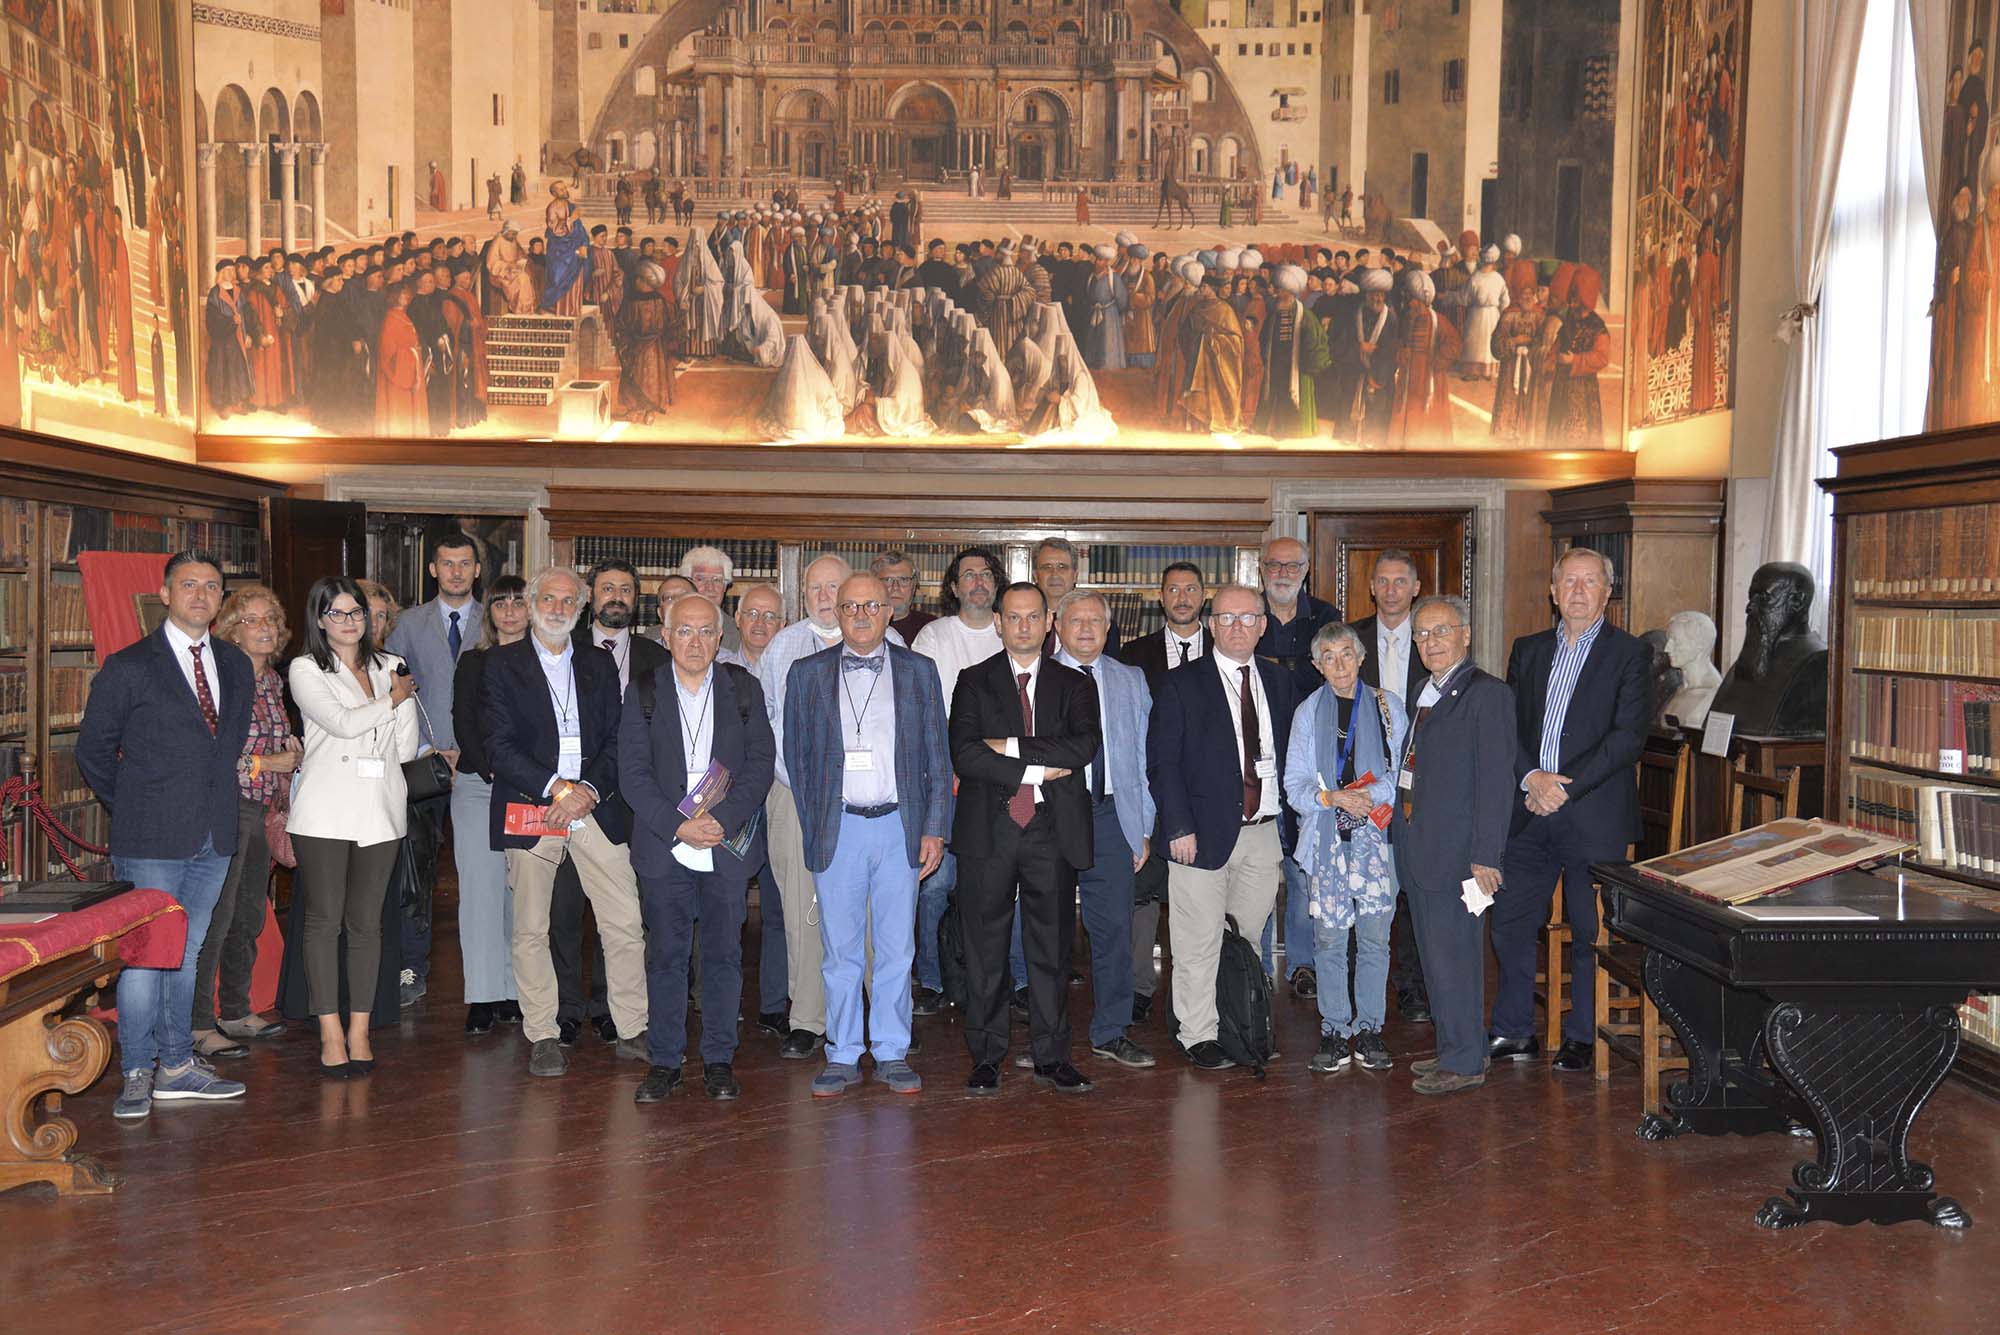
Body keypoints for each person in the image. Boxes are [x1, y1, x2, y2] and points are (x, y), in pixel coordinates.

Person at [77, 551, 253, 1119]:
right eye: (188, 585)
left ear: (222, 599)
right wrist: (133, 806)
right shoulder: (129, 665)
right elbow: (93, 752)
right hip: (150, 836)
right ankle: (136, 1072)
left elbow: (224, 748)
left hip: (214, 834)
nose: (200, 595)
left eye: (211, 586)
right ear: (165, 592)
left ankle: (176, 1067)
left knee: (188, 951)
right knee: (145, 957)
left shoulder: (235, 663)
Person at [783, 573, 950, 1097]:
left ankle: (893, 1050)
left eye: (871, 605)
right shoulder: (806, 673)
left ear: (889, 612)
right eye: (850, 605)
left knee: (898, 950)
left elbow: (937, 758)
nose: (859, 614)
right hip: (839, 830)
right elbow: (798, 758)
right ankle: (843, 1052)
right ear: (835, 610)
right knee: (840, 952)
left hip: (900, 827)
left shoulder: (920, 671)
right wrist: (816, 826)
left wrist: (934, 830)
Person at [484, 566, 650, 1079]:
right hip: (537, 804)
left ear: (581, 609)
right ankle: (543, 1033)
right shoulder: (501, 665)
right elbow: (497, 744)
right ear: (533, 603)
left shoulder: (599, 664)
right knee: (532, 927)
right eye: (548, 598)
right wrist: (558, 788)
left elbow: (617, 740)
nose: (557, 608)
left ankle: (632, 1027)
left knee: (623, 920)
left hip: (594, 806)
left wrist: (588, 791)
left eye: (568, 601)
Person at [1490, 550, 1649, 1071]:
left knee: (1587, 927)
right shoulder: (1529, 650)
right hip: (1529, 809)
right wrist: (1531, 778)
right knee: (1511, 920)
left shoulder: (1629, 653)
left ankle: (1582, 1033)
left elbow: (1627, 738)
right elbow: (1507, 727)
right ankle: (1514, 1030)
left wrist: (1565, 787)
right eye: (1569, 582)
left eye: (1591, 582)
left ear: (1608, 593)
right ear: (1553, 592)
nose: (1579, 591)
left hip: (1591, 813)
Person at [621, 594, 775, 1103]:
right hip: (666, 845)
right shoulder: (643, 691)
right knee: (666, 956)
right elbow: (633, 774)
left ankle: (718, 1060)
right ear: (665, 636)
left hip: (724, 844)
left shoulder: (742, 688)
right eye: (684, 631)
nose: (695, 641)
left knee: (724, 956)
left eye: (706, 631)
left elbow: (759, 766)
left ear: (720, 637)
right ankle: (665, 1061)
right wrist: (678, 825)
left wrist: (722, 819)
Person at [951, 583, 1101, 1094]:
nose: (1023, 627)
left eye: (1033, 617)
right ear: (998, 622)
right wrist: (1039, 766)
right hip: (988, 832)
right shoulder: (972, 682)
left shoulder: (1075, 683)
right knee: (985, 949)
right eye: (1013, 618)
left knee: (1052, 950)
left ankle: (1052, 1055)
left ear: (1048, 621)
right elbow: (965, 755)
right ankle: (987, 1056)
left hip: (1051, 833)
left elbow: (1082, 747)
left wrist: (1008, 747)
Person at [1147, 584, 1296, 1070]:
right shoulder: (1181, 683)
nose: (1237, 627)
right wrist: (1177, 827)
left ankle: (1238, 1018)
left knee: (1247, 939)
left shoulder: (1279, 683)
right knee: (1197, 940)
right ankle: (1197, 1033)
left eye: (1248, 618)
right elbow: (1163, 764)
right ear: (1211, 626)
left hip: (1263, 831)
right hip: (1199, 833)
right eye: (1227, 619)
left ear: (1263, 625)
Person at [287, 577, 422, 1076]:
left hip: (380, 808)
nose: (349, 622)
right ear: (320, 620)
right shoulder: (306, 668)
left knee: (367, 925)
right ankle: (329, 1032)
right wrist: (391, 700)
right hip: (325, 809)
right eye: (337, 614)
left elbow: (405, 749)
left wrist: (398, 699)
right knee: (325, 923)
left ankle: (360, 1031)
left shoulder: (390, 667)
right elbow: (342, 724)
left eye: (356, 613)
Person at [1392, 594, 1513, 1095]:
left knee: (1459, 958)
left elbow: (1496, 782)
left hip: (1460, 856)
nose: (1431, 642)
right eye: (1422, 634)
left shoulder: (1488, 694)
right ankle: (1453, 1048)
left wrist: (1487, 855)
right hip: (1419, 849)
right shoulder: (1425, 689)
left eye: (1442, 631)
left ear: (1466, 634)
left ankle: (1465, 1061)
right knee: (1435, 957)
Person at [1283, 623, 1406, 1074]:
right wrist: (1332, 798)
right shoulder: (1306, 712)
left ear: (1361, 657)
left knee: (1375, 940)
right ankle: (1335, 1029)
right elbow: (1293, 785)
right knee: (1330, 941)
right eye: (1328, 657)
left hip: (1378, 839)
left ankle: (1370, 1027)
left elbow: (1408, 774)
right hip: (1327, 841)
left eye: (1346, 654)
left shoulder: (1388, 706)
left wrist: (1369, 796)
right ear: (1317, 665)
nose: (1339, 664)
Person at [556, 560, 670, 1043]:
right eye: (607, 589)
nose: (616, 597)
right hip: (569, 797)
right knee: (561, 910)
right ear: (590, 597)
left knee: (621, 910)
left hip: (634, 800)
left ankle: (609, 1006)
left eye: (626, 589)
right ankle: (565, 1008)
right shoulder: (564, 649)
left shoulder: (656, 655)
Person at [192, 586, 300, 1058]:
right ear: (231, 630)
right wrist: (266, 764)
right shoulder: (219, 680)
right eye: (252, 619)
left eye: (271, 619)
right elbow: (208, 754)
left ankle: (235, 1010)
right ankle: (198, 1024)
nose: (265, 627)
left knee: (249, 913)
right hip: (226, 807)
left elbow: (275, 747)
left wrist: (292, 752)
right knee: (216, 917)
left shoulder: (274, 680)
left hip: (264, 811)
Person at [1053, 591, 1156, 1069]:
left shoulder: (1130, 679)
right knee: (1047, 931)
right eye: (1077, 621)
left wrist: (1143, 826)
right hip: (1050, 819)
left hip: (1114, 816)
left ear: (1110, 627)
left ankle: (1111, 1031)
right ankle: (1046, 1038)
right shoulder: (1038, 675)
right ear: (1058, 625)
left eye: (1097, 621)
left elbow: (1142, 758)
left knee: (1114, 929)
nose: (1087, 630)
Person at [384, 532, 483, 1008]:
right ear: (433, 569)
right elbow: (394, 690)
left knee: (484, 871)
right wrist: (426, 747)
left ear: (477, 570)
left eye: (465, 563)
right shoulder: (408, 623)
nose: (456, 571)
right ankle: (411, 968)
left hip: (482, 768)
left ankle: (489, 976)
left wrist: (475, 750)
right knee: (415, 873)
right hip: (422, 767)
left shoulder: (499, 619)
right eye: (447, 563)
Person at [910, 547, 1007, 1006]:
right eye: (968, 575)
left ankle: (1007, 981)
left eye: (986, 574)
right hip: (945, 779)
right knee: (937, 885)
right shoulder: (934, 636)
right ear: (953, 587)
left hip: (1004, 779)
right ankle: (929, 979)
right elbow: (924, 712)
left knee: (1003, 885)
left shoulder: (1011, 630)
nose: (978, 581)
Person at [1116, 559, 1209, 1018]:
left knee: (1199, 895)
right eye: (1173, 590)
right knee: (1144, 893)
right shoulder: (1133, 656)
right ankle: (1138, 988)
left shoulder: (1228, 647)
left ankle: (1194, 993)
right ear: (1161, 597)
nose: (1182, 598)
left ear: (1203, 595)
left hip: (1208, 794)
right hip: (1149, 787)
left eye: (1191, 589)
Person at [1254, 536, 1338, 995]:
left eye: (1292, 566)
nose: (1282, 573)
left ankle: (1302, 964)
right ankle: (1260, 966)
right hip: (1258, 757)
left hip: (1311, 761)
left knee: (1304, 869)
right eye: (1274, 565)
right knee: (1262, 871)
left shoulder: (1325, 618)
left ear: (1306, 570)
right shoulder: (1248, 614)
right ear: (1261, 569)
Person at [1347, 548, 1428, 1020]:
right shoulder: (1350, 639)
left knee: (1415, 885)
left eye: (1401, 581)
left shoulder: (1435, 636)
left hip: (1423, 783)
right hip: (1363, 783)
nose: (1392, 589)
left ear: (1415, 588)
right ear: (1372, 587)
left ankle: (1413, 986)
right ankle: (1366, 981)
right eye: (1383, 581)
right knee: (1367, 884)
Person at [450, 576, 530, 1035]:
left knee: (521, 894)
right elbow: (464, 726)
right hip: (481, 785)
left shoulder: (546, 663)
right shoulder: (473, 664)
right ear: (489, 611)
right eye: (500, 603)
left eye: (519, 603)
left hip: (531, 789)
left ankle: (516, 991)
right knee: (480, 892)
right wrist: (494, 770)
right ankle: (483, 995)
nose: (510, 611)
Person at [1032, 537, 1121, 655]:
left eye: (1062, 567)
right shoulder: (1024, 623)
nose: (1055, 574)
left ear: (1075, 575)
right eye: (1047, 567)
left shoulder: (1102, 627)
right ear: (1035, 576)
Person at [680, 546, 745, 653]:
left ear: (725, 587)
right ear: (687, 583)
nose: (710, 587)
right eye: (701, 579)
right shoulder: (657, 635)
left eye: (717, 580)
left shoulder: (740, 634)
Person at [874, 548, 935, 643]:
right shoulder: (863, 626)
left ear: (914, 585)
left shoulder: (931, 628)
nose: (895, 587)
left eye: (903, 579)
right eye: (887, 580)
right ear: (873, 585)